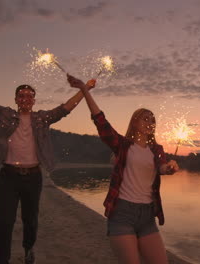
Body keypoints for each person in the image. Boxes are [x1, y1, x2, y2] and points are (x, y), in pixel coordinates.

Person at [0, 57, 95, 264]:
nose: (26, 98)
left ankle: (28, 249)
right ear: (16, 99)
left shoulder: (42, 119)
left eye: (30, 96)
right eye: (22, 95)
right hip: (8, 177)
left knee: (31, 221)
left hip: (33, 177)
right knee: (5, 222)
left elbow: (66, 108)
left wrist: (85, 88)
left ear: (34, 100)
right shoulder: (4, 115)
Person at [67, 74, 179, 264]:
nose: (149, 123)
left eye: (152, 120)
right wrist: (85, 90)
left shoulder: (156, 150)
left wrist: (169, 168)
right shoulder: (123, 145)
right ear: (135, 122)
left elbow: (162, 167)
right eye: (145, 119)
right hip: (122, 214)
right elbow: (100, 120)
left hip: (147, 216)